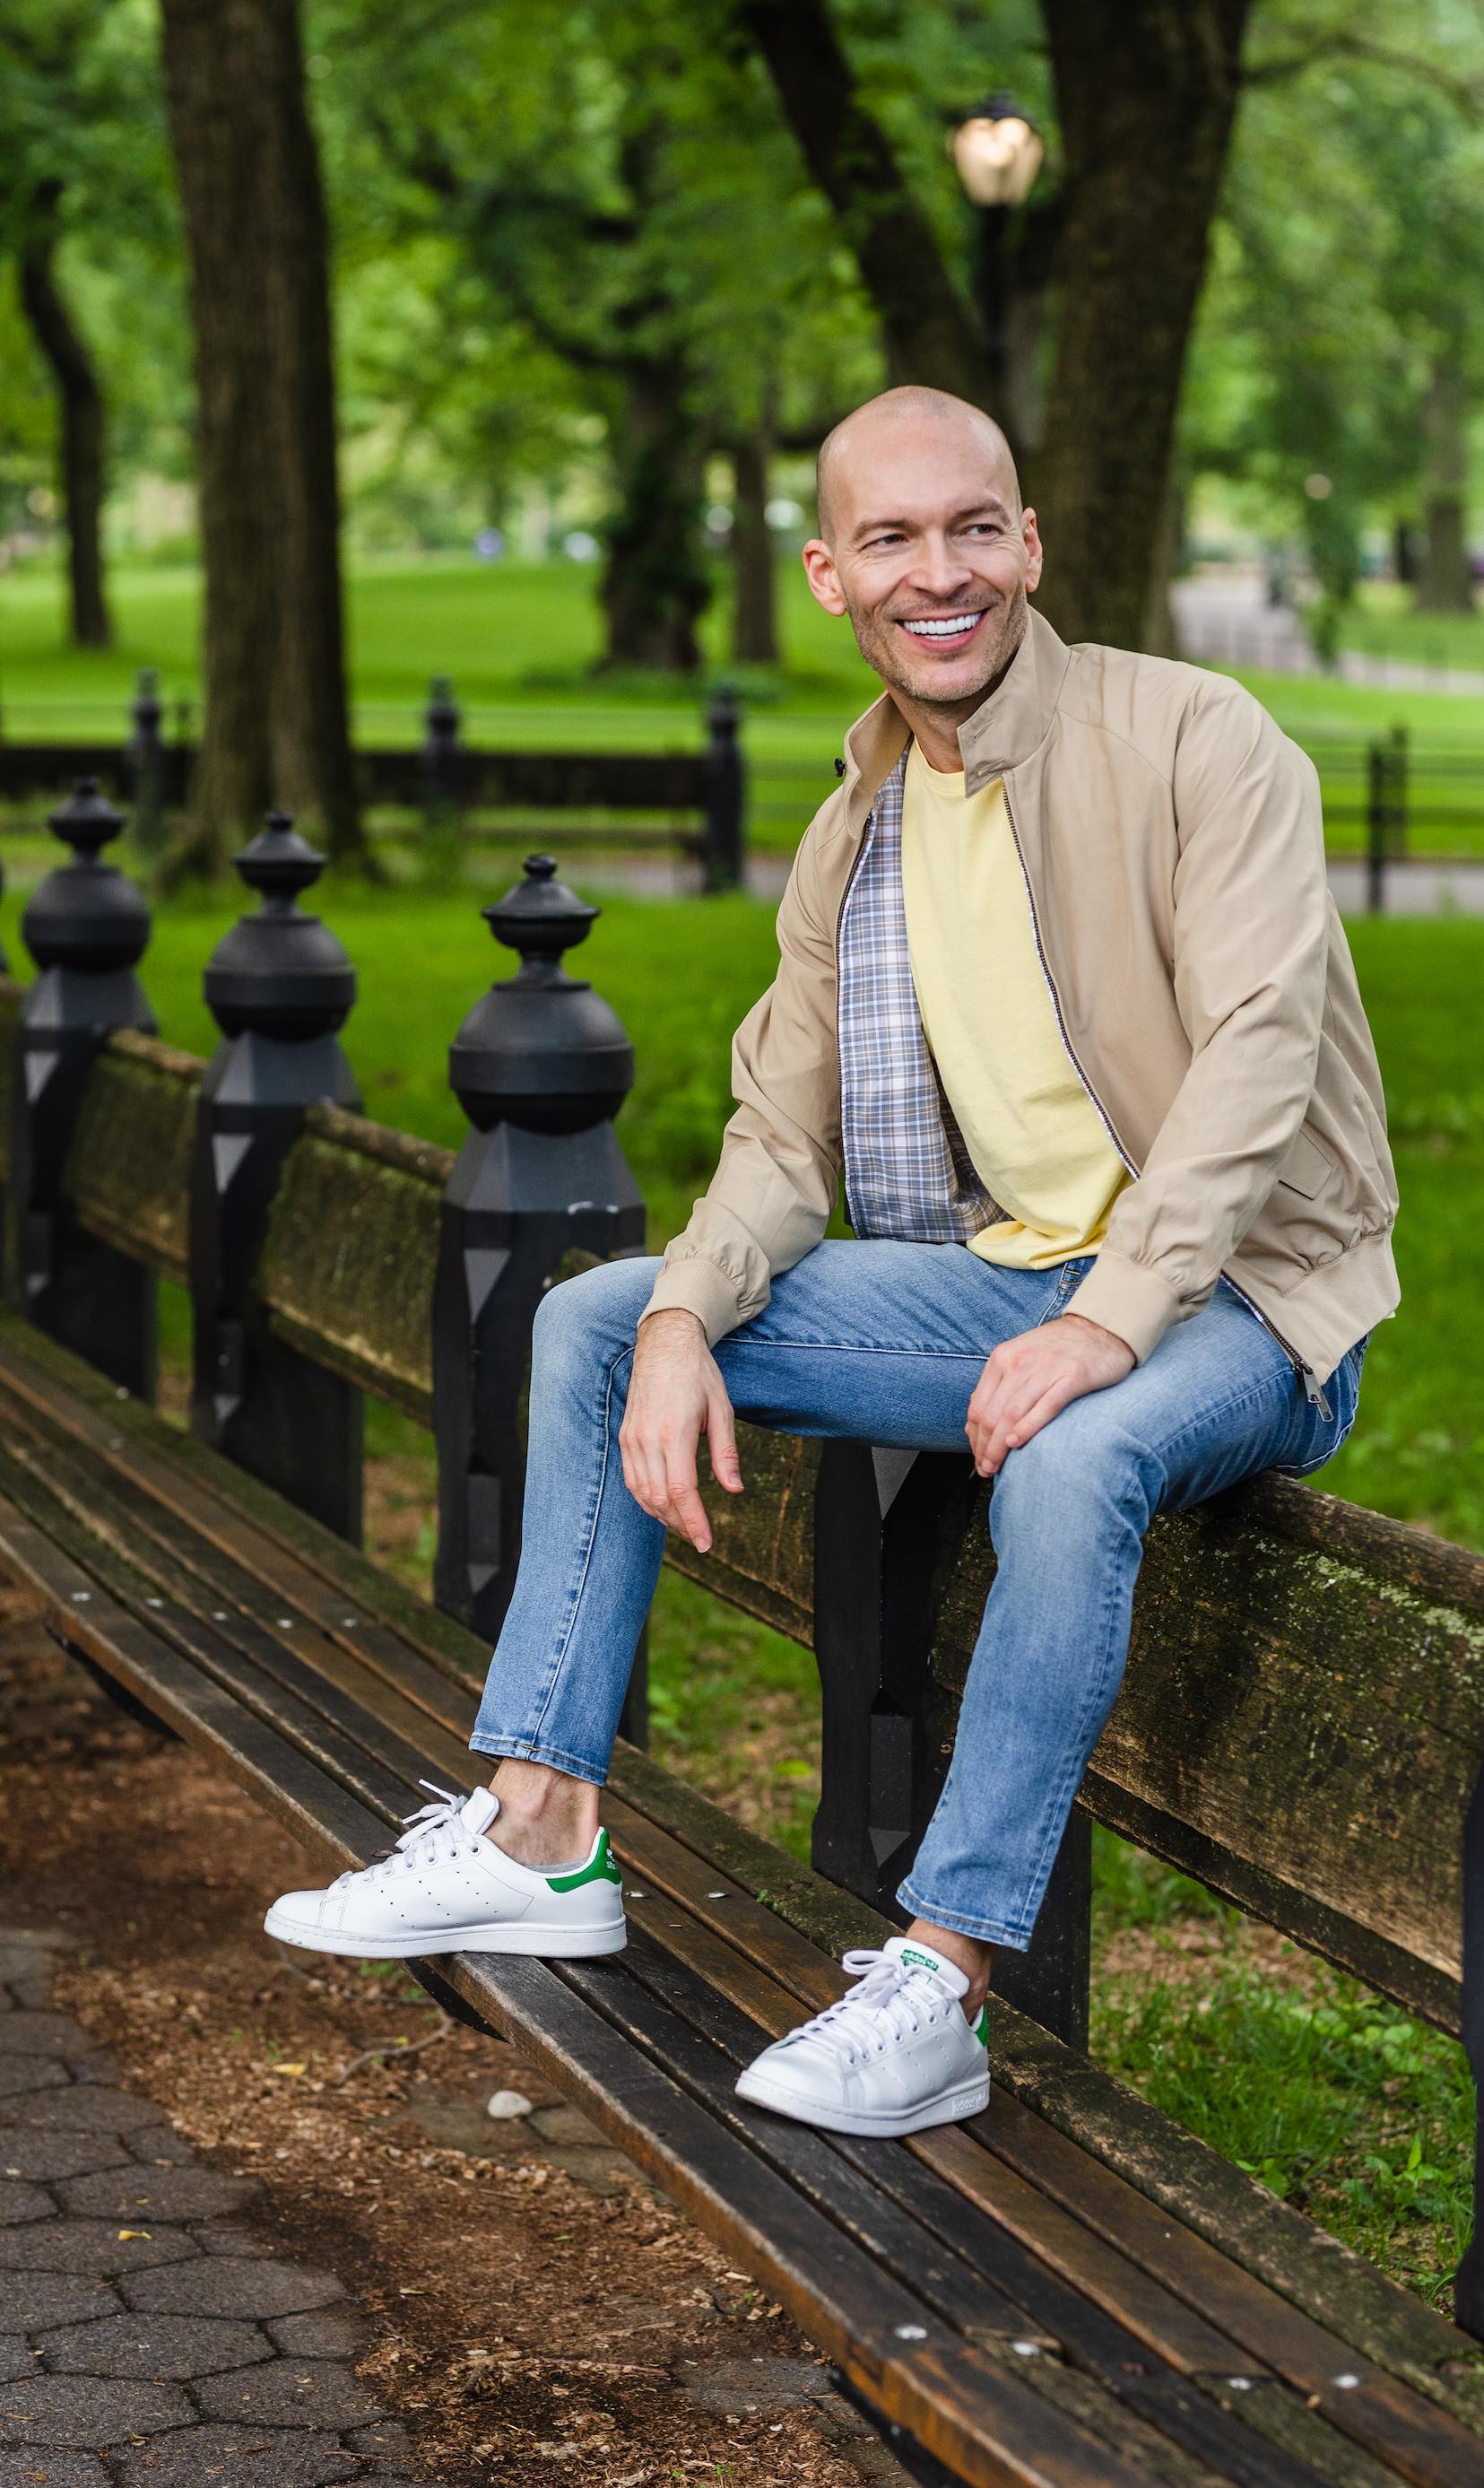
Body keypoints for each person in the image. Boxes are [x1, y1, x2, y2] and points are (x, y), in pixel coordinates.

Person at [265, 386, 1399, 2138]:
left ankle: (938, 1986)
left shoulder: (1196, 741)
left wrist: (1109, 1323)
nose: (936, 574)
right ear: (826, 575)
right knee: (594, 1319)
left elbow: (1263, 1047)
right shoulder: (857, 827)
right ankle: (544, 1834)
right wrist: (684, 1320)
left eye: (971, 530)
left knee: (1076, 1456)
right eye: (891, 539)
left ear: (1028, 545)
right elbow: (783, 1137)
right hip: (1012, 1290)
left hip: (1247, 1299)